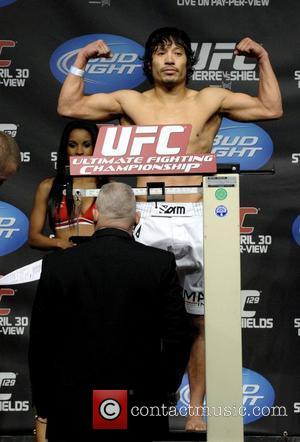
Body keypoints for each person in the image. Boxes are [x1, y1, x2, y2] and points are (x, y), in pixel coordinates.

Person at [57, 27, 283, 431]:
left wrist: (263, 59)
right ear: (149, 62)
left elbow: (270, 109)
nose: (169, 59)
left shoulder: (210, 98)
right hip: (148, 215)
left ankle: (195, 412)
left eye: (178, 52)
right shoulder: (130, 101)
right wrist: (82, 58)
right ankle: (138, 408)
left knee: (200, 322)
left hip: (200, 215)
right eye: (161, 53)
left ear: (188, 62)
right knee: (133, 317)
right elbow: (69, 106)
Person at [29, 182, 191, 442]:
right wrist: (162, 391)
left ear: (94, 215)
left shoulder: (58, 265)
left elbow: (41, 341)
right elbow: (178, 336)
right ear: (136, 218)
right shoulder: (159, 263)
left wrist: (44, 405)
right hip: (140, 402)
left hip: (72, 405)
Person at [29, 120, 108, 250]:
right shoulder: (48, 186)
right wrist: (60, 243)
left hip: (98, 260)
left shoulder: (110, 188)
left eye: (87, 145)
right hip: (65, 261)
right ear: (65, 148)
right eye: (72, 145)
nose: (79, 151)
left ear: (96, 147)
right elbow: (34, 238)